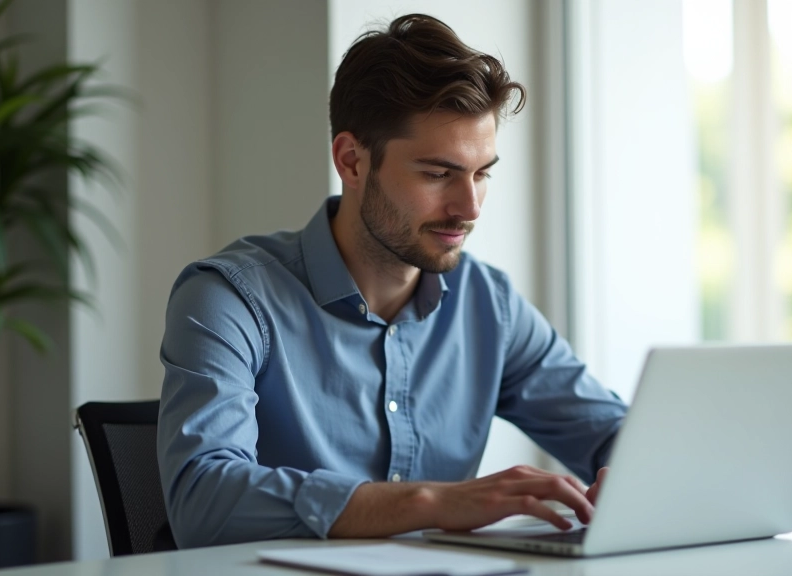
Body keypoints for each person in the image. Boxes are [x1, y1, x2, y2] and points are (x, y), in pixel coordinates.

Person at [156, 13, 628, 549]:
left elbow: (618, 436)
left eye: (482, 173)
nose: (469, 207)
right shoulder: (229, 298)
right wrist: (434, 503)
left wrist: (639, 471)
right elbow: (202, 500)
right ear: (351, 161)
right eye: (437, 173)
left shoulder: (488, 305)